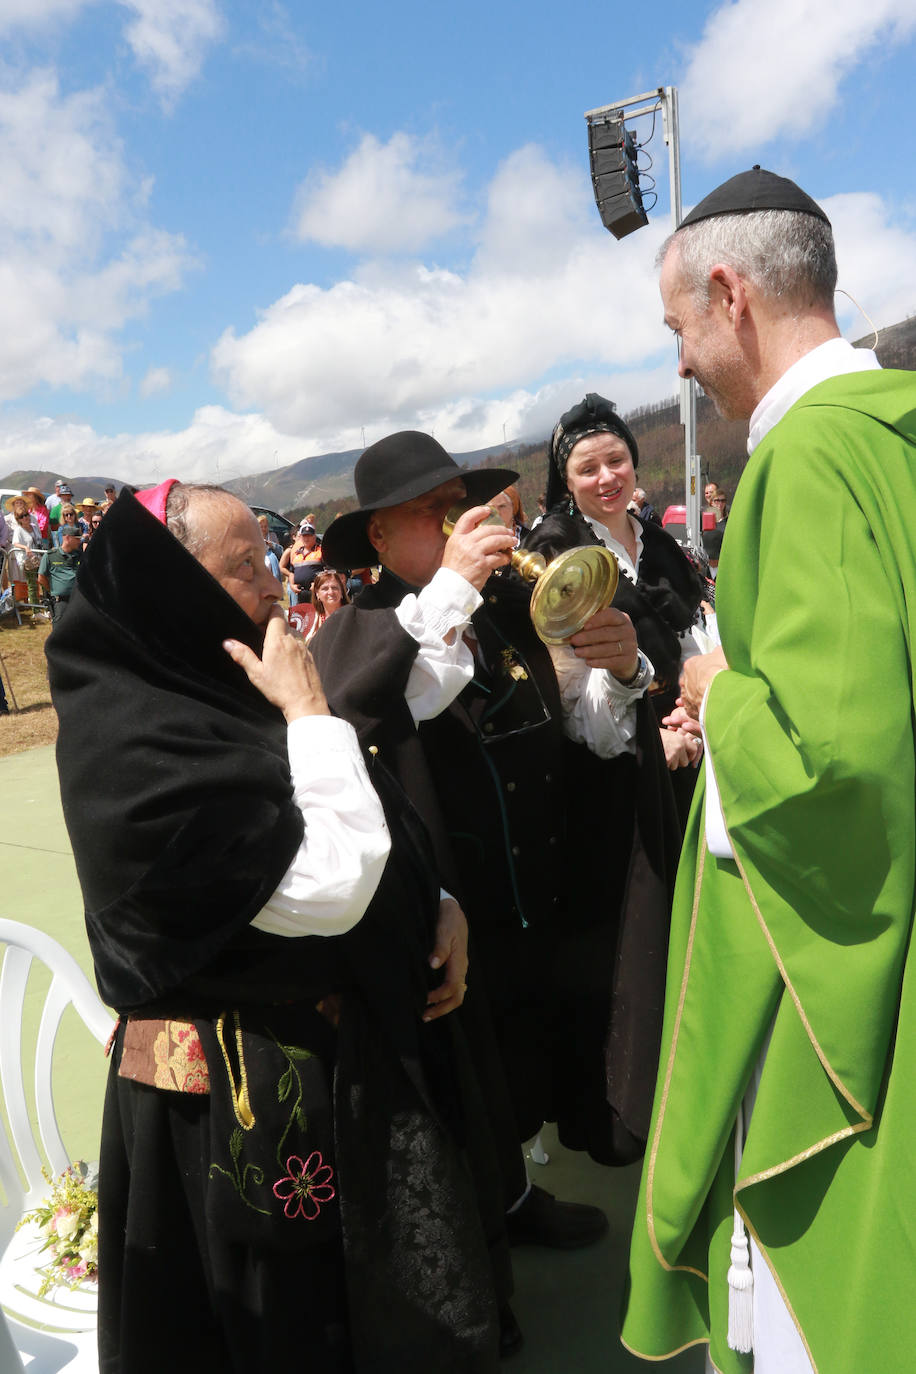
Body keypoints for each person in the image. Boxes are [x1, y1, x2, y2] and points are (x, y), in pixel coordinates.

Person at [47, 480, 510, 1374]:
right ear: (170, 588)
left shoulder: (211, 688)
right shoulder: (139, 750)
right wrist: (308, 712)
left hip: (326, 1078)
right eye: (247, 568)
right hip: (232, 1123)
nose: (275, 587)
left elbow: (360, 818)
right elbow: (333, 881)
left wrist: (435, 905)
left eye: (269, 559)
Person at [622, 166, 916, 1374]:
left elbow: (825, 762)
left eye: (678, 329)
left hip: (836, 970)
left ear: (729, 293)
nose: (681, 365)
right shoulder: (892, 431)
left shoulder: (804, 461)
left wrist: (713, 692)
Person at [313, 430, 669, 1187]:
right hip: (449, 911)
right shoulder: (358, 629)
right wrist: (451, 588)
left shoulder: (509, 609)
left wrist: (622, 672)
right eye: (431, 510)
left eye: (459, 505)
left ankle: (516, 1197)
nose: (456, 521)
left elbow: (583, 734)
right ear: (377, 534)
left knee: (525, 1070)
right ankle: (496, 1218)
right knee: (461, 1092)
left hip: (539, 903)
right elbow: (370, 714)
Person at [526, 394, 706, 791]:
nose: (607, 478)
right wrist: (650, 739)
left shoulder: (659, 543)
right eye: (588, 469)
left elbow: (686, 642)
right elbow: (569, 696)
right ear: (567, 482)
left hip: (685, 737)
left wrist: (696, 714)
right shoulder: (556, 551)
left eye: (616, 461)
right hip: (612, 759)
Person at [38, 524, 82, 621]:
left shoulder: (79, 555)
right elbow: (41, 577)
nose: (80, 541)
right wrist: (53, 591)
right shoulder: (51, 556)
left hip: (77, 600)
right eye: (77, 539)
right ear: (67, 538)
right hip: (61, 602)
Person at [279, 521, 323, 603]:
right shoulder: (296, 553)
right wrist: (292, 585)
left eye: (309, 535)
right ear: (301, 537)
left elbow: (328, 571)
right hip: (300, 593)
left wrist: (318, 583)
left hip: (317, 593)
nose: (306, 538)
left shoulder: (321, 551)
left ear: (314, 537)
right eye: (304, 536)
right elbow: (292, 572)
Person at [304, 569, 350, 642]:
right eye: (325, 589)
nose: (331, 592)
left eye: (334, 588)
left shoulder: (351, 616)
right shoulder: (313, 619)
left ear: (342, 592)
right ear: (317, 594)